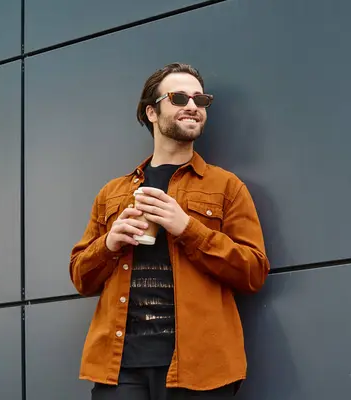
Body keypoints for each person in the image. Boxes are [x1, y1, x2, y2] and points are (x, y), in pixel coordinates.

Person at [69, 62, 270, 400]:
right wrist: (109, 243)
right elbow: (80, 277)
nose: (192, 106)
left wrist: (188, 228)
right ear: (151, 111)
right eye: (178, 98)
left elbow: (253, 272)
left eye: (200, 100)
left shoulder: (226, 187)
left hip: (200, 369)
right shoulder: (112, 193)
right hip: (119, 368)